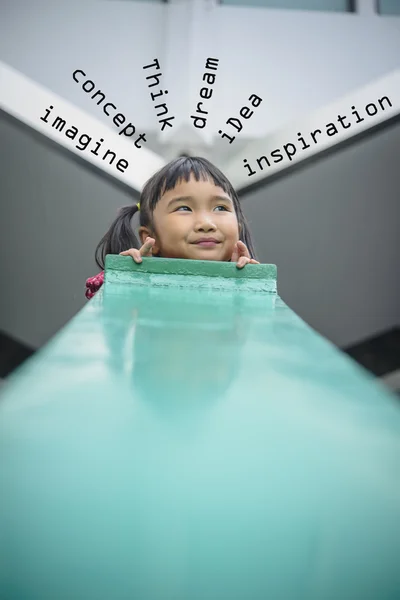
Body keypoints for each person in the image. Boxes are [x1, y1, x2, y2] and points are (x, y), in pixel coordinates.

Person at [85, 156, 259, 299]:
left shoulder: (254, 286)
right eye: (184, 208)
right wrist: (128, 279)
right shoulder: (129, 282)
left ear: (238, 226)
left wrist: (248, 286)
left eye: (220, 208)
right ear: (149, 238)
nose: (206, 224)